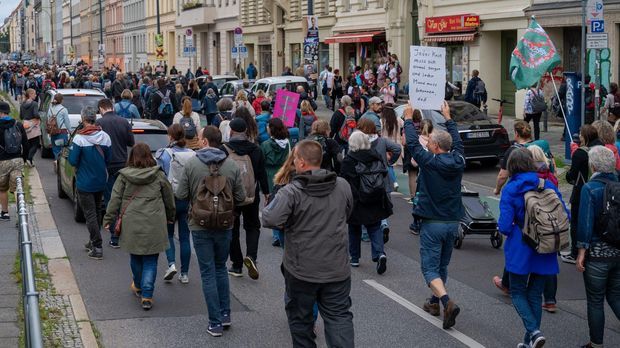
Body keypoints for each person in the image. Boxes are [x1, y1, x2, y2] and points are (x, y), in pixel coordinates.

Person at [262, 140, 354, 348]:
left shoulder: (291, 191)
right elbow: (347, 212)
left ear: (302, 163)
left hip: (302, 269)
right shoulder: (342, 185)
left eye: (295, 159)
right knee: (339, 317)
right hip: (336, 267)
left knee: (301, 322)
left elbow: (270, 219)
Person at [175, 125, 246, 336]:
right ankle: (225, 315)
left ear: (205, 141)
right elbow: (241, 198)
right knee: (221, 268)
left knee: (207, 273)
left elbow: (180, 194)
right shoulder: (231, 165)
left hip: (200, 224)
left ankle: (214, 322)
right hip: (225, 224)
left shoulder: (192, 164)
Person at [498, 148, 567, 348]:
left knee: (518, 291)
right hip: (546, 244)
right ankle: (530, 342)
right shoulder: (547, 184)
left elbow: (504, 226)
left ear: (511, 166)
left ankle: (534, 332)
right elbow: (564, 214)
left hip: (522, 246)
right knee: (535, 294)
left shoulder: (511, 188)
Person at [403, 102, 464, 330]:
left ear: (436, 147)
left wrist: (409, 119)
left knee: (429, 268)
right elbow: (457, 143)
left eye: (429, 142)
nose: (426, 143)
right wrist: (449, 118)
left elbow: (412, 144)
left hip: (432, 222)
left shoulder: (429, 162)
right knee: (442, 266)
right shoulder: (458, 161)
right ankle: (434, 301)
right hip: (452, 222)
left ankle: (447, 302)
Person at [103, 143, 175, 311]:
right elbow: (169, 199)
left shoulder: (123, 176)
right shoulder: (158, 175)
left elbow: (115, 199)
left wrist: (108, 219)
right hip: (154, 223)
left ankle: (139, 285)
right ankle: (147, 296)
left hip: (131, 223)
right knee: (151, 260)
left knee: (135, 257)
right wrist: (170, 217)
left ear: (132, 157)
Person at [575, 146, 620, 348]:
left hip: (597, 254)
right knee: (615, 295)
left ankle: (596, 344)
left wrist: (581, 252)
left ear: (593, 165)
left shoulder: (590, 189)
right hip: (618, 251)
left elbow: (585, 222)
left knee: (595, 301)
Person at [341, 131, 392, 273]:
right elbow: (384, 172)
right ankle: (379, 253)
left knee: (354, 228)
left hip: (356, 198)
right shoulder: (375, 155)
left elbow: (344, 180)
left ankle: (355, 258)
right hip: (375, 196)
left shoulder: (349, 160)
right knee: (375, 227)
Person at [224, 118, 269, 279]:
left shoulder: (225, 149)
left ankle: (236, 265)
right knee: (252, 226)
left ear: (231, 131)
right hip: (251, 194)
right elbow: (261, 173)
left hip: (231, 196)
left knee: (232, 228)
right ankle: (251, 257)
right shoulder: (255, 149)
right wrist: (266, 192)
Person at [68, 107, 112, 260]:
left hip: (85, 182)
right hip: (101, 180)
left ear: (83, 119)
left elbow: (73, 160)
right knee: (98, 211)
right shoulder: (105, 136)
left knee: (90, 214)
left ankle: (97, 246)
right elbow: (108, 158)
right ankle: (92, 240)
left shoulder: (79, 139)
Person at [156, 124, 195, 284]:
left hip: (169, 199)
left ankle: (171, 264)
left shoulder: (164, 154)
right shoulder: (193, 155)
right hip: (187, 199)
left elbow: (157, 176)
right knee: (185, 237)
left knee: (169, 234)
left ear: (170, 137)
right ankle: (184, 273)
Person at [96, 98, 136, 248]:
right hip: (122, 164)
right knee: (123, 199)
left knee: (110, 200)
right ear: (112, 107)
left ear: (101, 108)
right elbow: (131, 143)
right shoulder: (124, 122)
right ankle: (124, 232)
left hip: (106, 165)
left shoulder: (100, 124)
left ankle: (114, 234)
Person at [260, 118, 291, 246]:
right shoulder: (288, 143)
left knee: (272, 204)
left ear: (271, 129)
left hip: (270, 176)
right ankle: (282, 229)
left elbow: (261, 162)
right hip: (284, 175)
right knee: (283, 203)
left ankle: (276, 235)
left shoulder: (265, 144)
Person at [0, 101, 28, 221]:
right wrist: (24, 158)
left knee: (2, 188)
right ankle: (20, 216)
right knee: (18, 188)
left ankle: (5, 213)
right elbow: (25, 144)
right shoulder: (18, 124)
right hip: (17, 160)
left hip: (2, 161)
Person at [381, 103, 404, 191]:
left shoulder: (382, 120)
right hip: (396, 144)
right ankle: (393, 181)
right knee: (391, 164)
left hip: (386, 145)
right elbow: (404, 125)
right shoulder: (398, 120)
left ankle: (393, 182)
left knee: (388, 164)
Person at [20, 89, 40, 166]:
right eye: (34, 94)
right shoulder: (34, 104)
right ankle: (29, 158)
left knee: (28, 144)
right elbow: (36, 114)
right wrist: (40, 116)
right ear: (30, 94)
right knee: (35, 143)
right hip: (33, 124)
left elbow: (21, 116)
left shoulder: (22, 104)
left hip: (25, 124)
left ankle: (28, 160)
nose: (35, 95)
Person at [46, 93, 70, 160]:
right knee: (62, 150)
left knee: (56, 150)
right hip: (62, 133)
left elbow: (48, 120)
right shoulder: (63, 109)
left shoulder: (50, 109)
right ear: (62, 100)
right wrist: (70, 131)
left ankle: (56, 163)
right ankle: (61, 166)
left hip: (53, 132)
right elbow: (67, 122)